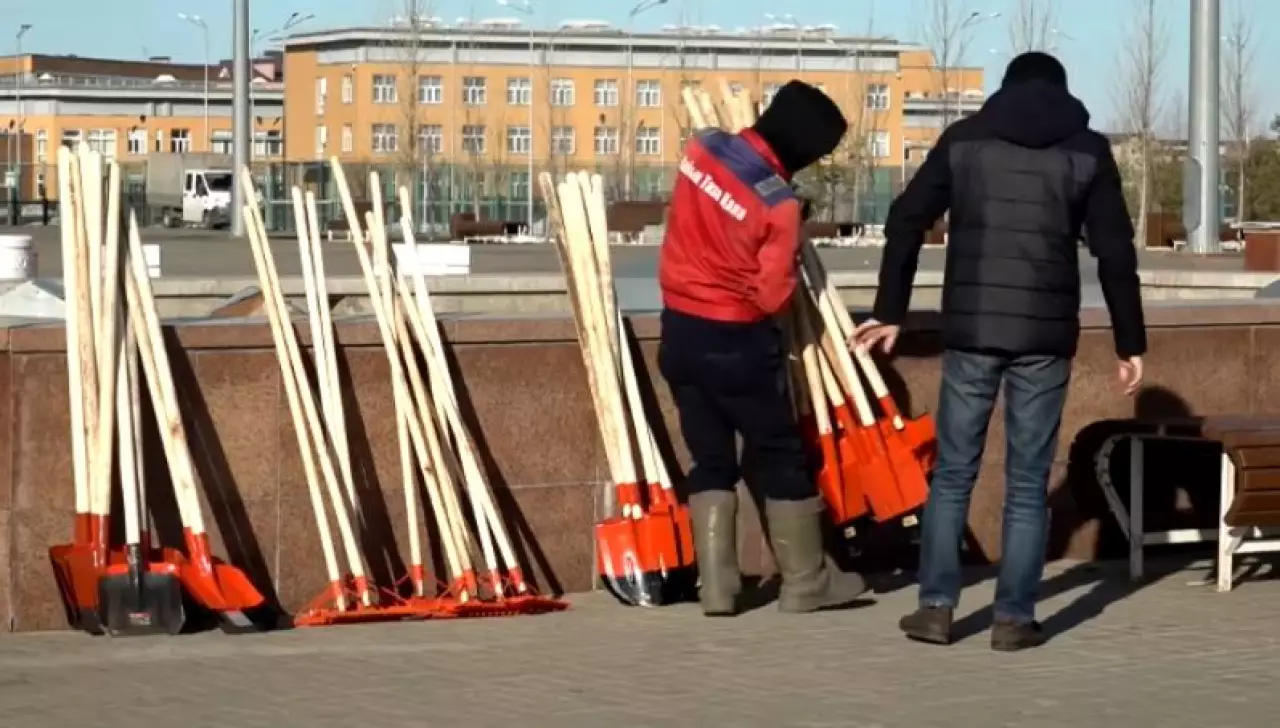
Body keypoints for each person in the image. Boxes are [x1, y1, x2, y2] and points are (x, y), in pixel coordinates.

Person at [851, 52, 1147, 650]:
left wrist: (890, 311)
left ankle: (935, 607)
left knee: (954, 473)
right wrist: (1130, 342)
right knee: (1029, 480)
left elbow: (906, 218)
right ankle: (1013, 618)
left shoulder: (964, 140)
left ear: (1006, 88)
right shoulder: (1087, 149)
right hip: (1044, 337)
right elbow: (1115, 252)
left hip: (972, 331)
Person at [658, 80, 869, 616]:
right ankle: (805, 583)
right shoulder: (778, 204)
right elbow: (771, 293)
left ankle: (719, 589)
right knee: (780, 454)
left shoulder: (699, 150)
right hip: (736, 342)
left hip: (679, 331)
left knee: (709, 459)